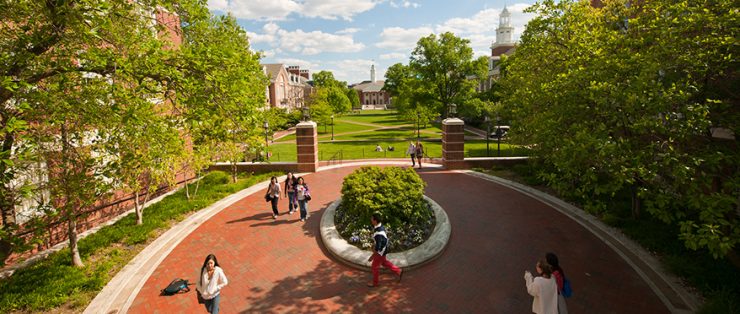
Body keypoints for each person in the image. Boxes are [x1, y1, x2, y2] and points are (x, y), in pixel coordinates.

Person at [366, 213, 402, 287]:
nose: (371, 220)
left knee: (374, 267)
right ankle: (398, 270)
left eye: (372, 219)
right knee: (384, 262)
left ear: (375, 221)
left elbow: (378, 247)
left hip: (380, 252)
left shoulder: (378, 233)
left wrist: (372, 257)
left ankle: (375, 283)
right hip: (384, 249)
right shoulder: (380, 226)